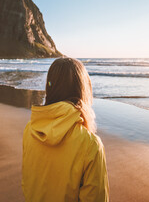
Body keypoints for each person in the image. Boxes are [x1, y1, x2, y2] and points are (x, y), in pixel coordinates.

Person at [22, 57, 109, 202]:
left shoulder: (30, 130)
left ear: (50, 87)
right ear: (83, 89)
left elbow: (28, 183)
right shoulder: (90, 144)